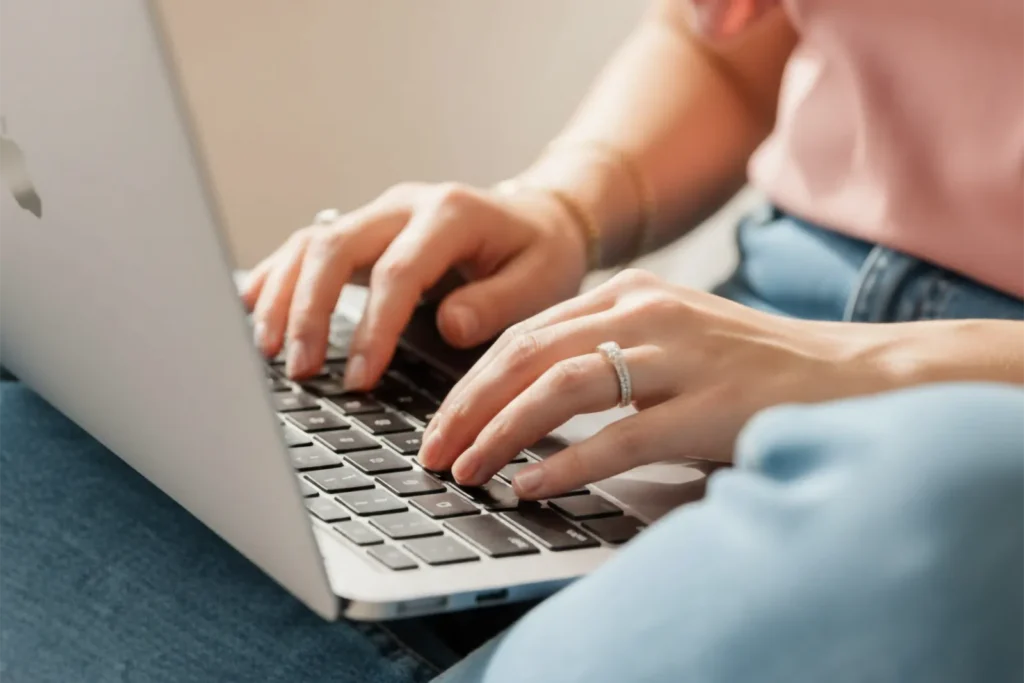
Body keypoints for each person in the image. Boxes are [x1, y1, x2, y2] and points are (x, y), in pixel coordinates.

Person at [3, 1, 1024, 681]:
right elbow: (732, 38)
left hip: (970, 452)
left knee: (964, 486)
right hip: (744, 328)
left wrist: (884, 368)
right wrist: (570, 203)